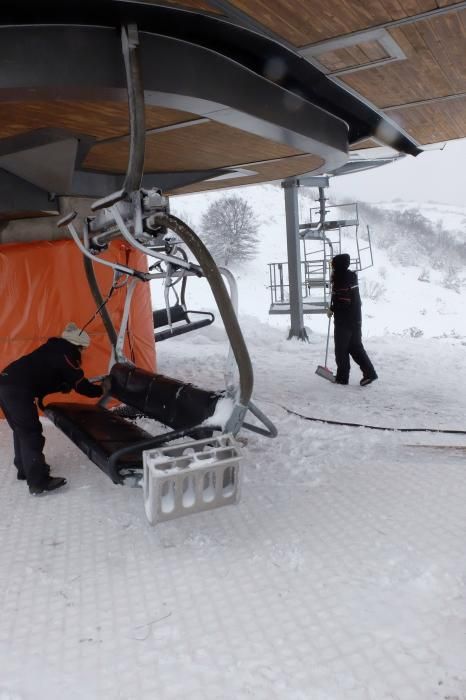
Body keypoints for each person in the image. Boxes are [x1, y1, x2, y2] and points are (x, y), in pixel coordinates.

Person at [0, 322, 104, 495]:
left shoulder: (54, 347)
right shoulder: (67, 354)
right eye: (83, 349)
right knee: (31, 433)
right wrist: (102, 389)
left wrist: (61, 384)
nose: (82, 353)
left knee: (20, 430)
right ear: (78, 345)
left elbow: (43, 374)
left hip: (5, 382)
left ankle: (24, 470)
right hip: (18, 389)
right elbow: (82, 386)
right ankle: (39, 482)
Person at [328, 254, 377, 386]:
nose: (331, 266)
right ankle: (369, 373)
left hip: (344, 321)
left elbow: (343, 302)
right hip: (356, 319)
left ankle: (342, 378)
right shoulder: (351, 276)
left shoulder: (341, 278)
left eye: (333, 264)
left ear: (337, 265)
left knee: (341, 350)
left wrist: (332, 309)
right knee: (355, 347)